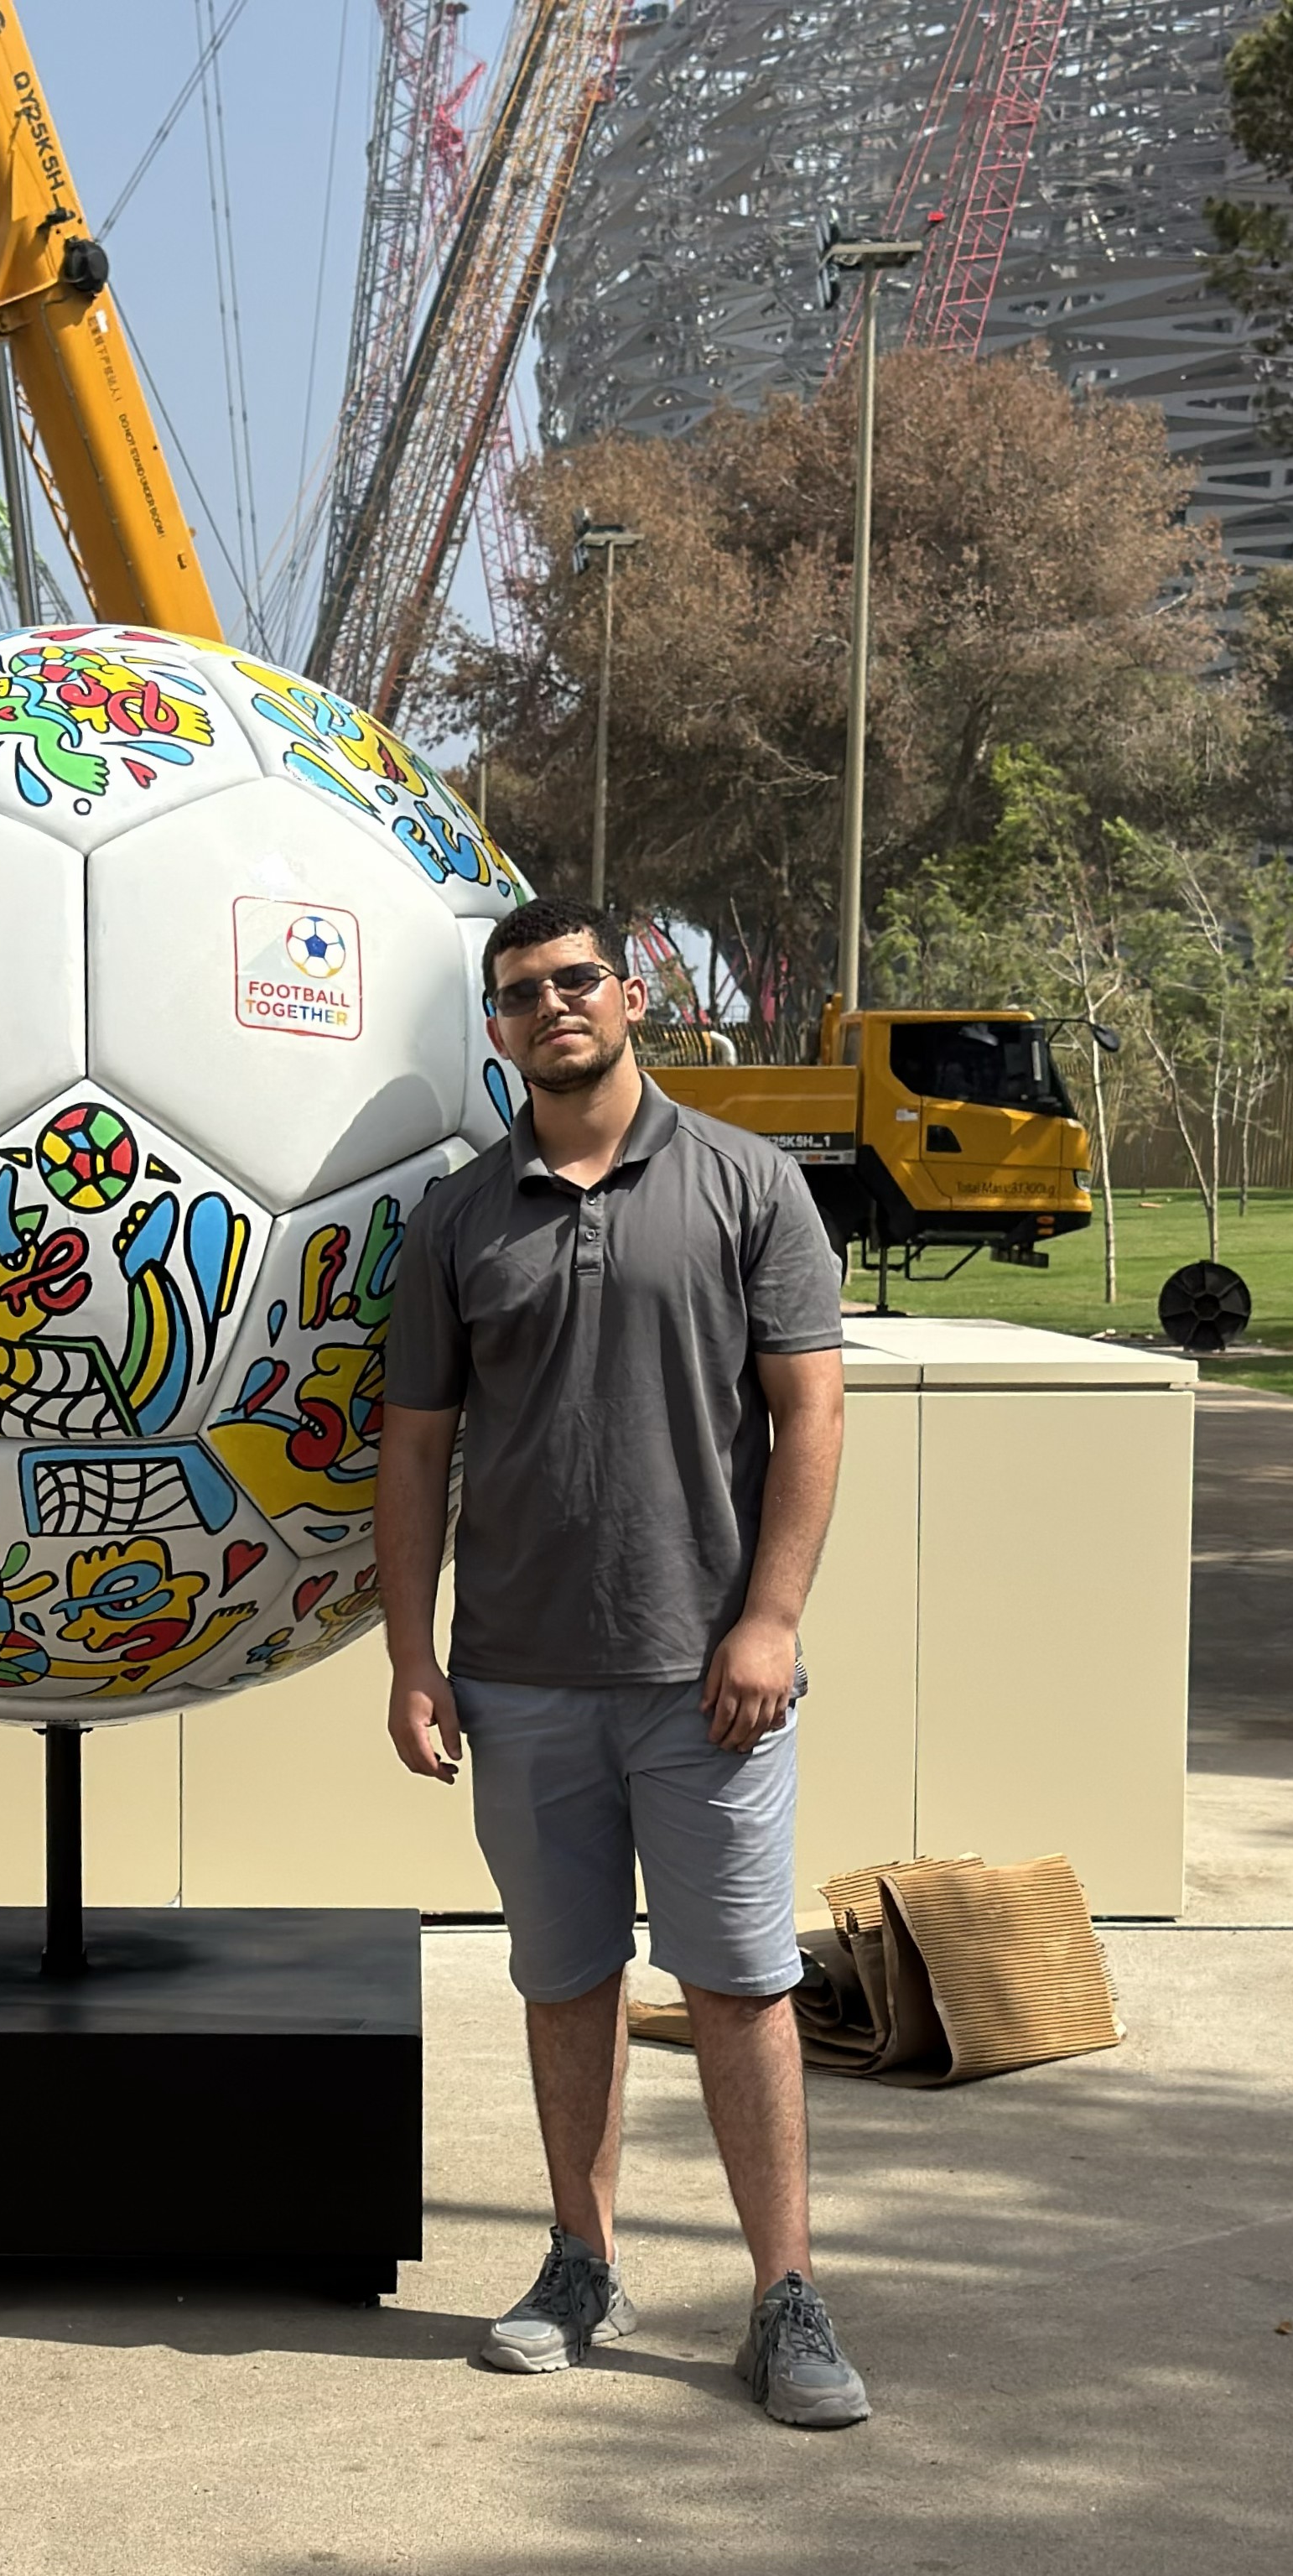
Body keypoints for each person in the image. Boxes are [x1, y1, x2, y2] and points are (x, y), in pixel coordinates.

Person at [374, 899, 865, 2425]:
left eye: (574, 980)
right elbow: (413, 1453)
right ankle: (580, 2260)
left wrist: (770, 1619)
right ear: (500, 1031)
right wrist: (411, 1653)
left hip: (706, 1680)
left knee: (737, 1985)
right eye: (520, 996)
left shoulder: (747, 1183)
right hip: (519, 1678)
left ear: (631, 995)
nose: (551, 1008)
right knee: (566, 1982)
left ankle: (785, 2297)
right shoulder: (462, 1218)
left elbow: (813, 1415)